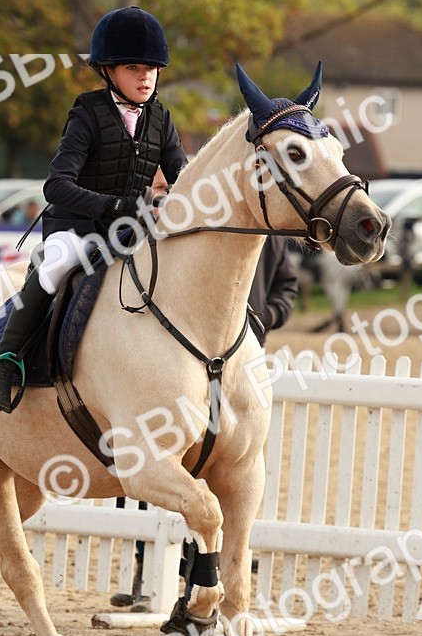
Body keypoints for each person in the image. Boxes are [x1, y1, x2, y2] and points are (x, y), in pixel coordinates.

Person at [0, 6, 188, 411]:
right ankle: (4, 362)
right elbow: (56, 185)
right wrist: (115, 205)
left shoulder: (161, 118)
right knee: (55, 263)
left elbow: (183, 176)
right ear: (107, 70)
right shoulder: (87, 112)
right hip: (77, 229)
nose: (145, 77)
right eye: (133, 67)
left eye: (152, 68)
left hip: (130, 230)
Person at [112, 237, 299, 609]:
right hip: (184, 358)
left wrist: (261, 317)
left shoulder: (269, 242)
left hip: (239, 360)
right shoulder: (201, 237)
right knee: (162, 473)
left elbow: (288, 287)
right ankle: (142, 568)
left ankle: (202, 579)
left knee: (228, 474)